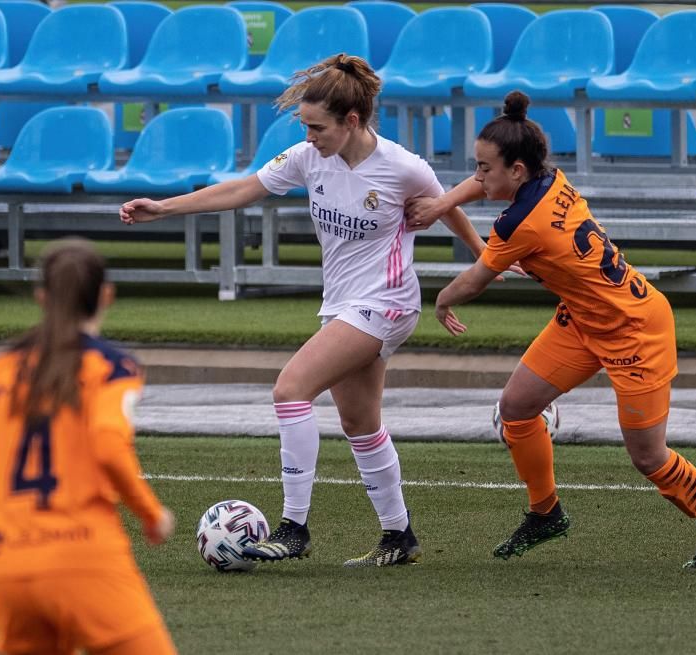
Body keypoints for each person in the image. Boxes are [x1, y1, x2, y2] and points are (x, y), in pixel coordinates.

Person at [119, 53, 487, 567]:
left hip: (387, 303)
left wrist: (486, 258)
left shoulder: (403, 167)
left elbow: (448, 207)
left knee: (290, 390)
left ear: (352, 121)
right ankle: (399, 536)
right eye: (305, 127)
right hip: (341, 304)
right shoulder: (308, 157)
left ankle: (294, 526)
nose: (310, 137)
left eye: (317, 127)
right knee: (360, 423)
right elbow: (244, 188)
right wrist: (165, 207)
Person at [405, 91, 696, 569]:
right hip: (583, 320)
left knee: (648, 458)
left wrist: (440, 300)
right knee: (517, 408)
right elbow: (485, 187)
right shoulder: (548, 177)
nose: (477, 177)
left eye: (484, 167)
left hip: (635, 331)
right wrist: (444, 203)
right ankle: (546, 513)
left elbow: (477, 278)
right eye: (476, 166)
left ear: (516, 171)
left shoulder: (521, 223)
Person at [0, 238, 178, 654]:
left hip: (10, 564)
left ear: (42, 297)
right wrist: (151, 514)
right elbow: (109, 446)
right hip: (85, 557)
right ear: (106, 295)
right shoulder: (111, 367)